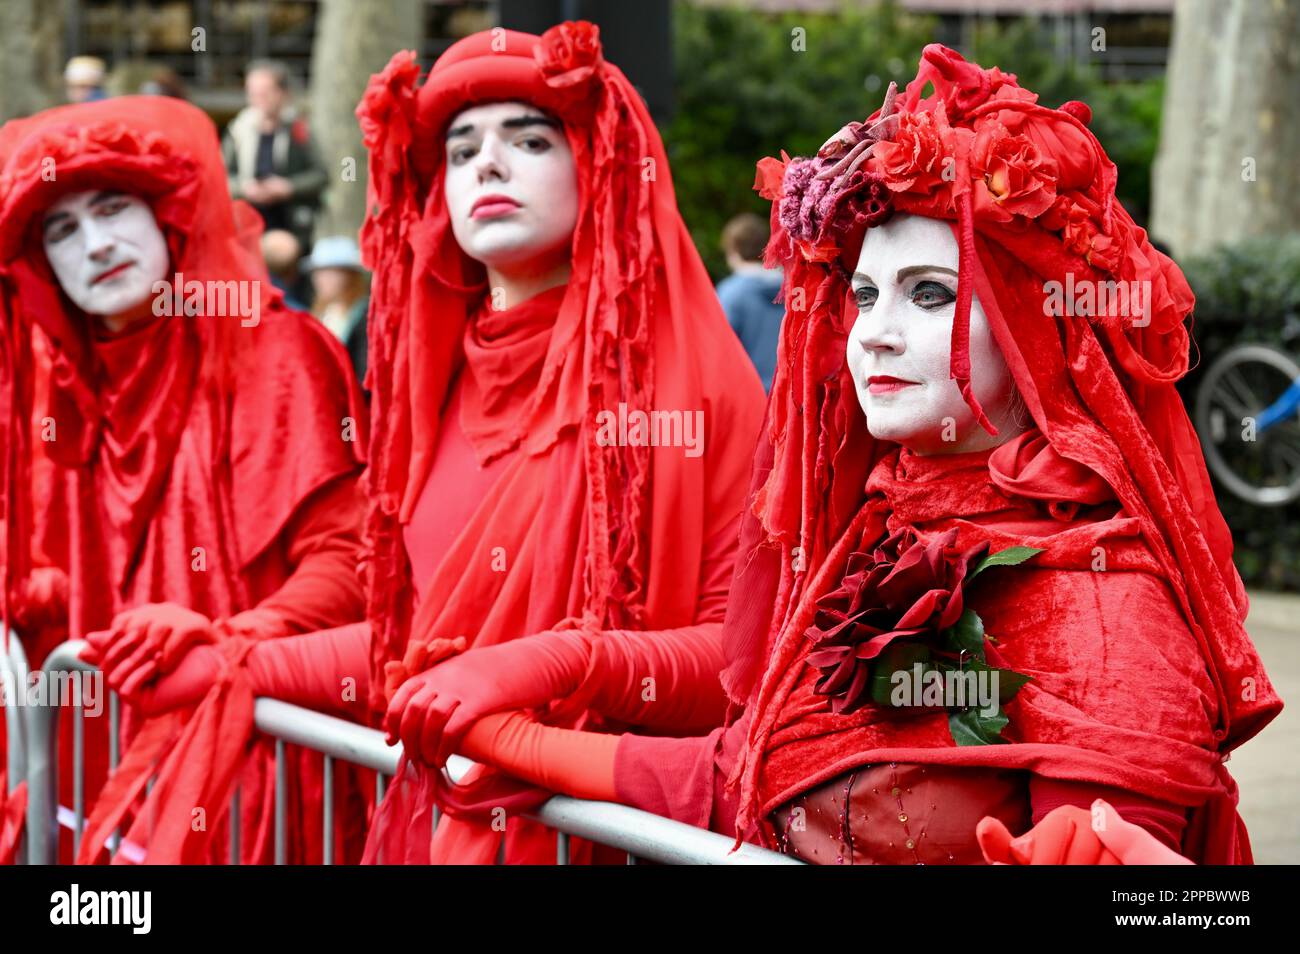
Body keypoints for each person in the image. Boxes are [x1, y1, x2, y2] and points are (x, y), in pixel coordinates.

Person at [409, 45, 1283, 865]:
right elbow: (745, 781)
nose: (876, 335)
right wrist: (525, 737)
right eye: (864, 295)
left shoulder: (1109, 602)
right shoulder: (866, 538)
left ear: (1037, 335)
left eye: (930, 293)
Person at [114, 21, 766, 865]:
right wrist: (232, 655)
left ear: (600, 165)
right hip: (436, 832)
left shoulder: (701, 390)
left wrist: (559, 663)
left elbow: (735, 665)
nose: (487, 164)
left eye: (529, 138)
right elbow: (410, 654)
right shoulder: (430, 396)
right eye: (461, 151)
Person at [0, 95, 370, 864]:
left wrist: (232, 642)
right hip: (105, 782)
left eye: (112, 208)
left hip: (249, 773)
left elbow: (349, 564)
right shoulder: (70, 388)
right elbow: (66, 580)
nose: (95, 244)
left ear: (166, 217)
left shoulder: (276, 351)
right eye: (61, 229)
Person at [222, 60, 327, 248]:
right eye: (253, 93)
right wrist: (245, 188)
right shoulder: (238, 131)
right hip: (247, 221)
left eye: (265, 93)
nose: (258, 99)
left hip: (290, 222)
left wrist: (288, 187)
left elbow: (321, 175)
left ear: (283, 93)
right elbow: (221, 178)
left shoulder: (298, 130)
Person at [716, 212, 784, 391]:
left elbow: (720, 352)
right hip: (786, 396)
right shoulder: (792, 289)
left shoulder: (731, 293)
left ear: (734, 251)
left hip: (748, 396)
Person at [305, 236, 369, 384]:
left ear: (349, 275)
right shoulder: (320, 313)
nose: (321, 279)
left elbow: (363, 371)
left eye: (330, 272)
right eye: (318, 272)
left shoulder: (363, 315)